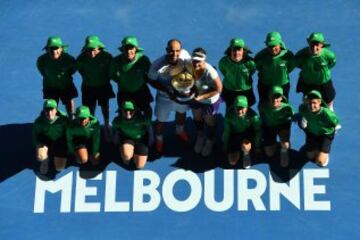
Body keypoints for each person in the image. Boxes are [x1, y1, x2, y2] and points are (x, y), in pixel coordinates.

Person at [148, 39, 191, 154]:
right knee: (161, 121)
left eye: (177, 51)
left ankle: (179, 131)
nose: (174, 54)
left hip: (181, 94)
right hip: (164, 97)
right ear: (167, 50)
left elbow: (191, 70)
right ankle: (159, 139)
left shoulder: (185, 56)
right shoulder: (157, 66)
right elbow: (151, 81)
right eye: (171, 51)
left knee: (181, 113)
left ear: (180, 51)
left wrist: (187, 85)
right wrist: (166, 90)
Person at [184, 48, 223, 157]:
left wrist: (202, 97)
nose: (196, 63)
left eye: (199, 61)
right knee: (197, 116)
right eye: (194, 60)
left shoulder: (210, 71)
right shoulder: (189, 67)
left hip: (210, 100)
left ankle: (210, 140)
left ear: (204, 60)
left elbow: (219, 89)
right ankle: (200, 136)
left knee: (209, 120)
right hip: (196, 97)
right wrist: (188, 91)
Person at [76, 35, 115, 138]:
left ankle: (106, 124)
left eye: (94, 50)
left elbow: (111, 71)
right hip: (88, 88)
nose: (91, 53)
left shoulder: (107, 57)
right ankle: (91, 127)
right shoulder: (81, 59)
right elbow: (81, 71)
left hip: (103, 86)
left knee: (105, 106)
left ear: (99, 48)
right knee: (89, 110)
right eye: (89, 50)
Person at [109, 36, 153, 117]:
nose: (129, 51)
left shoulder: (144, 60)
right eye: (126, 48)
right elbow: (112, 75)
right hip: (124, 92)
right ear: (123, 49)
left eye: (131, 48)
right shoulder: (116, 61)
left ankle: (148, 126)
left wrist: (143, 81)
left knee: (146, 110)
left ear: (136, 49)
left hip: (141, 91)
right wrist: (121, 82)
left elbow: (150, 73)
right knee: (124, 113)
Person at [37, 36, 78, 116]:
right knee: (51, 106)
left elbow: (73, 70)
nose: (54, 51)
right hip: (50, 86)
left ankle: (71, 118)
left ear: (61, 49)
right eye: (51, 48)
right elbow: (42, 72)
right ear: (47, 50)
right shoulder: (41, 60)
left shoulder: (69, 59)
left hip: (66, 85)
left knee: (69, 102)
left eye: (56, 48)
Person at [298, 90, 340, 167]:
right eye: (310, 103)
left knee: (320, 162)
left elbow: (337, 125)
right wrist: (304, 118)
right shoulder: (303, 108)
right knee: (309, 157)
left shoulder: (327, 113)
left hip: (325, 135)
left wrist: (333, 132)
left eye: (314, 103)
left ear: (319, 102)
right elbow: (302, 112)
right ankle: (315, 147)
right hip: (312, 133)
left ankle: (323, 151)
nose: (311, 105)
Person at [295, 32, 337, 110]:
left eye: (317, 45)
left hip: (324, 81)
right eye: (312, 45)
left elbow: (331, 64)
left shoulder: (329, 55)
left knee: (329, 99)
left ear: (322, 45)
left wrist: (322, 72)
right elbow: (297, 64)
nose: (314, 47)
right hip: (308, 82)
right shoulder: (301, 54)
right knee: (307, 100)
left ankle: (330, 112)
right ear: (309, 44)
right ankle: (305, 118)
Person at [258, 86, 294, 167]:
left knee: (285, 145)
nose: (275, 99)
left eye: (277, 97)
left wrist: (286, 134)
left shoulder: (288, 108)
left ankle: (284, 150)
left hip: (282, 127)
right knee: (269, 153)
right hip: (269, 127)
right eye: (273, 96)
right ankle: (275, 143)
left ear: (281, 98)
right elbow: (262, 119)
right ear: (269, 97)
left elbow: (293, 120)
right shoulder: (262, 106)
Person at [255, 32, 295, 103]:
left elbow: (290, 67)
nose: (273, 48)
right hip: (265, 85)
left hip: (282, 85)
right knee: (265, 105)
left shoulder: (288, 55)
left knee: (283, 105)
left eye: (275, 45)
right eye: (270, 46)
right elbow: (257, 67)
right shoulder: (260, 56)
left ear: (280, 44)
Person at [223, 96, 261, 169]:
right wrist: (225, 144)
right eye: (237, 108)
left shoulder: (254, 116)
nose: (240, 111)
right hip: (235, 136)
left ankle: (246, 154)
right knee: (232, 161)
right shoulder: (229, 116)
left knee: (245, 146)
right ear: (234, 108)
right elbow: (226, 132)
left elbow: (258, 131)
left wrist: (257, 146)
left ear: (246, 108)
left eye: (242, 108)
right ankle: (240, 152)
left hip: (248, 136)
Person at [33, 99, 69, 174]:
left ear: (56, 110)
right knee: (40, 156)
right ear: (44, 110)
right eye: (47, 110)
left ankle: (59, 155)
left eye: (52, 110)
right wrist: (38, 147)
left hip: (60, 140)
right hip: (46, 140)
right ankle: (45, 160)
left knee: (59, 168)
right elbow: (35, 136)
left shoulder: (64, 118)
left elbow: (69, 133)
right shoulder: (38, 121)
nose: (49, 113)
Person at [219, 38, 257, 109]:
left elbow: (252, 71)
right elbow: (223, 71)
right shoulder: (224, 62)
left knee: (245, 111)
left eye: (239, 50)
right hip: (229, 90)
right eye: (234, 50)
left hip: (245, 91)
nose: (236, 53)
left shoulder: (250, 63)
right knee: (230, 109)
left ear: (243, 51)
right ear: (230, 50)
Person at [112, 101, 151, 169]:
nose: (128, 112)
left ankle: (135, 154)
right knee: (126, 157)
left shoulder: (142, 119)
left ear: (135, 110)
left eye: (130, 110)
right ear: (121, 111)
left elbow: (149, 127)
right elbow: (115, 130)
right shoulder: (117, 121)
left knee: (140, 166)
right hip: (127, 139)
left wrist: (151, 138)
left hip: (141, 140)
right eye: (125, 110)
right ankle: (125, 154)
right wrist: (116, 140)